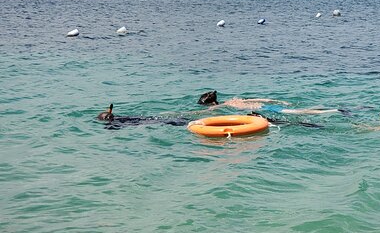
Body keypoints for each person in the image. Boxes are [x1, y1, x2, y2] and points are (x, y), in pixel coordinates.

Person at [197, 90, 341, 115]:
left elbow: (205, 112)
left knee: (300, 112)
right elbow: (260, 99)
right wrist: (279, 100)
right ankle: (324, 107)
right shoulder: (233, 100)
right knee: (301, 110)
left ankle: (334, 110)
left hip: (268, 109)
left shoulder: (224, 105)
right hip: (267, 105)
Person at [96, 104, 188, 129]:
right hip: (140, 119)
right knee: (163, 120)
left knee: (164, 122)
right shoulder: (118, 117)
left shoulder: (114, 123)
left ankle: (184, 122)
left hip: (139, 122)